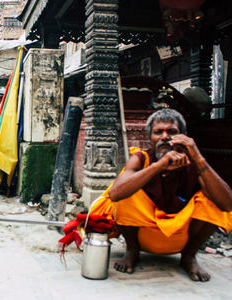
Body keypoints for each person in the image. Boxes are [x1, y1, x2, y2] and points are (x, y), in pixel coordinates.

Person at [90, 108, 232, 282]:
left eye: (172, 132)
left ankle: (189, 257)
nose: (164, 137)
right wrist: (159, 166)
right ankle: (132, 250)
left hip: (180, 238)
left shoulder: (194, 163)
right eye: (158, 132)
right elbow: (115, 194)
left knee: (213, 198)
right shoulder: (141, 159)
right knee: (126, 190)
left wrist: (198, 157)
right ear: (150, 138)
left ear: (184, 137)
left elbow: (227, 204)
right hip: (143, 235)